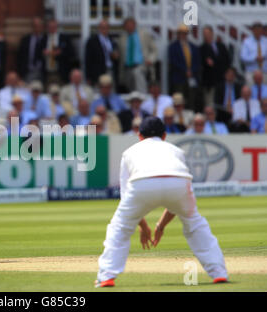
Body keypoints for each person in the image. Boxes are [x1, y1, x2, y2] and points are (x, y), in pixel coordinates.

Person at [95, 116, 228, 287]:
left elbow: (126, 196)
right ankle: (219, 272)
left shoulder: (129, 152)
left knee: (120, 227)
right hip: (178, 182)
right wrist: (161, 226)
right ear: (164, 135)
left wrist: (143, 227)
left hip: (143, 183)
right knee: (195, 223)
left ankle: (106, 275)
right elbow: (178, 202)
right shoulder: (176, 151)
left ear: (139, 135)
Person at [118, 17, 158, 93]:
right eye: (127, 25)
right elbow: (120, 54)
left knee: (137, 73)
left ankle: (143, 97)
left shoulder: (144, 34)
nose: (129, 27)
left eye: (130, 25)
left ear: (134, 25)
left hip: (141, 64)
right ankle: (135, 102)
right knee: (131, 88)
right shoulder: (122, 38)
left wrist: (150, 59)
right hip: (128, 67)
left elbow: (154, 50)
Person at [168, 24, 201, 112]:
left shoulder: (193, 47)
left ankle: (190, 114)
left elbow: (197, 62)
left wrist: (191, 71)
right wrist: (185, 70)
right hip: (179, 77)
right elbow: (174, 61)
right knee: (179, 99)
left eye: (185, 33)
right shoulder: (173, 47)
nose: (183, 35)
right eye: (181, 33)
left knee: (191, 98)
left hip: (191, 77)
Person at [200, 26, 231, 107]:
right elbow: (203, 63)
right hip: (210, 82)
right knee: (210, 103)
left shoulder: (221, 46)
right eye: (205, 34)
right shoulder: (202, 48)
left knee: (222, 102)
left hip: (222, 79)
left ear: (212, 34)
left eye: (208, 33)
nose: (207, 36)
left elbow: (227, 60)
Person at [85, 19, 119, 87]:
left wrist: (115, 56)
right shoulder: (92, 41)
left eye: (106, 27)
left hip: (110, 69)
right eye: (103, 27)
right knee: (99, 91)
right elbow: (88, 59)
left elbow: (116, 56)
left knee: (111, 90)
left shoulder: (111, 40)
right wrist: (88, 76)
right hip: (98, 72)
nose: (104, 29)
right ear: (99, 28)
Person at [41, 19, 75, 85]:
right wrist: (44, 53)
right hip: (47, 72)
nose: (51, 29)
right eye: (50, 27)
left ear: (57, 27)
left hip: (60, 72)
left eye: (53, 27)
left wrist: (60, 53)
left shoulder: (64, 38)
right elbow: (39, 53)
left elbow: (71, 53)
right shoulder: (43, 39)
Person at [17, 17, 45, 83]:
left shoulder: (46, 39)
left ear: (42, 26)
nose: (37, 28)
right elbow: (20, 57)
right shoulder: (25, 40)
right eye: (35, 26)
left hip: (43, 72)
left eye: (38, 26)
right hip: (28, 72)